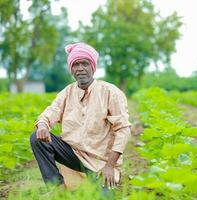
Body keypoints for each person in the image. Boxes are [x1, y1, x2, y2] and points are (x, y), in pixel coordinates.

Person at [30, 42, 131, 189]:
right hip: (73, 156)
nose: (80, 68)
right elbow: (49, 113)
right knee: (37, 138)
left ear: (93, 67)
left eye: (85, 63)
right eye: (76, 64)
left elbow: (123, 129)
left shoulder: (110, 92)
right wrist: (43, 125)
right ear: (71, 69)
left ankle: (100, 179)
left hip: (101, 163)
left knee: (101, 198)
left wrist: (110, 166)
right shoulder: (66, 93)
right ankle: (57, 189)